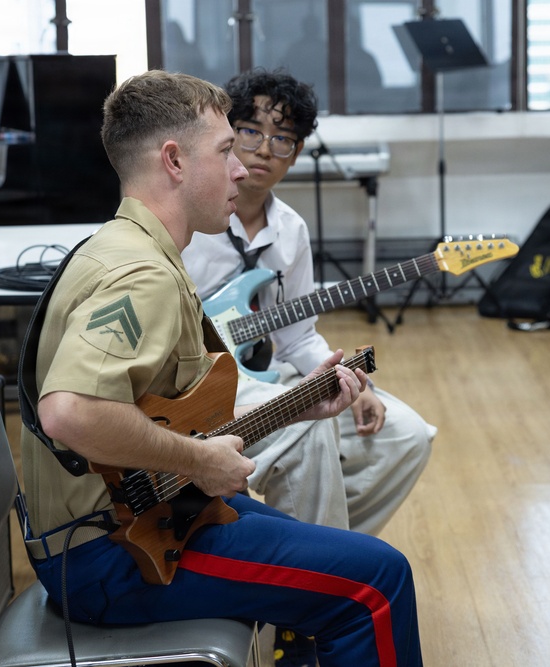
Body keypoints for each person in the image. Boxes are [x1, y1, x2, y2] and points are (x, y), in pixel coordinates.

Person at [20, 69, 422, 666]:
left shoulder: (129, 244)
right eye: (228, 149)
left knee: (340, 553)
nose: (243, 167)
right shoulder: (145, 274)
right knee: (377, 582)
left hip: (140, 517)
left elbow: (167, 411)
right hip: (110, 553)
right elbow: (69, 413)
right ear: (175, 162)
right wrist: (199, 460)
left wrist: (299, 403)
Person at [182, 68, 435, 665]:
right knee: (311, 426)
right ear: (223, 132)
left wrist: (343, 374)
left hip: (265, 376)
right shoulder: (188, 219)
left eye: (284, 138)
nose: (264, 150)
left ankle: (311, 566)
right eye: (249, 130)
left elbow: (295, 334)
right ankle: (310, 622)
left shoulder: (289, 230)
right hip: (200, 391)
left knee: (405, 433)